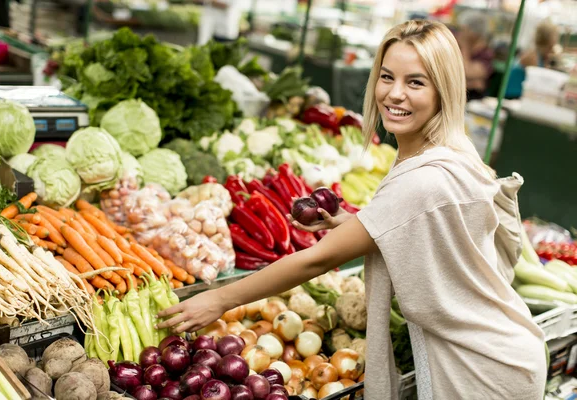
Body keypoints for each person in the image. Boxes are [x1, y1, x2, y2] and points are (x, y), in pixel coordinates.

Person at [158, 20, 547, 399]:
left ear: (443, 91)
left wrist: (221, 299)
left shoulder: (421, 177)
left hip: (484, 367)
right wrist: (359, 221)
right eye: (386, 76)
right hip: (498, 347)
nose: (395, 94)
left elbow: (316, 260)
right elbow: (436, 228)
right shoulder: (450, 149)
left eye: (416, 82)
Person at [455, 10, 495, 101]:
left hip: (473, 99)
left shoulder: (485, 54)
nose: (459, 34)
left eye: (463, 30)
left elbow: (466, 72)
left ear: (474, 32)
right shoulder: (457, 48)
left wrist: (465, 46)